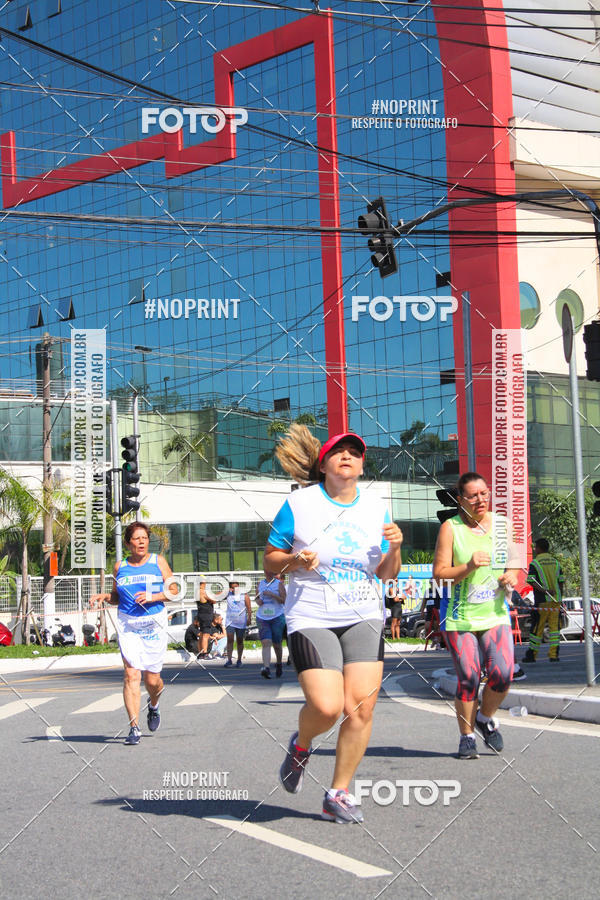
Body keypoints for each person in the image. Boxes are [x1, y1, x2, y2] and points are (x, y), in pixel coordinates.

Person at [264, 426, 403, 824]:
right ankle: (303, 745)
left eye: (354, 453)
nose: (347, 457)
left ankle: (338, 793)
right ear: (323, 465)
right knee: (327, 708)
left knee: (359, 708)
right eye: (338, 452)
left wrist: (395, 546)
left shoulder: (376, 507)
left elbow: (387, 574)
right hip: (311, 614)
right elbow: (270, 560)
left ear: (361, 465)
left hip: (363, 613)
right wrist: (293, 561)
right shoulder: (300, 504)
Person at [433, 472, 519, 759]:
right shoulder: (450, 528)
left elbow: (517, 563)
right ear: (461, 500)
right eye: (473, 496)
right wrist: (468, 566)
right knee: (469, 676)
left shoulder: (502, 525)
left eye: (484, 493)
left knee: (503, 674)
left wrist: (512, 575)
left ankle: (484, 718)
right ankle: (467, 735)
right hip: (460, 617)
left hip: (495, 614)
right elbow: (440, 577)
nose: (480, 500)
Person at [90, 522, 178, 745]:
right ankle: (134, 727)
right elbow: (118, 596)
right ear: (128, 543)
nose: (141, 542)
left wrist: (153, 597)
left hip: (153, 624)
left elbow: (174, 591)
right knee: (131, 674)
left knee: (153, 680)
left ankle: (154, 705)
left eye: (144, 538)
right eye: (136, 539)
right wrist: (105, 597)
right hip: (129, 624)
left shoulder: (158, 561)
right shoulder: (120, 567)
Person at [522, 538, 565, 663]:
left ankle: (532, 655)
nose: (534, 550)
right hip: (556, 601)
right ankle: (554, 655)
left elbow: (531, 580)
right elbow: (561, 582)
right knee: (554, 630)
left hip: (542, 601)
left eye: (535, 548)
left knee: (537, 628)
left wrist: (544, 591)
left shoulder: (535, 563)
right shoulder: (556, 563)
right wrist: (560, 598)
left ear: (539, 548)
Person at [256, 571, 287, 678]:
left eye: (270, 572)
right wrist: (258, 601)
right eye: (266, 572)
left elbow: (284, 600)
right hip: (262, 617)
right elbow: (257, 597)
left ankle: (279, 664)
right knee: (266, 642)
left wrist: (273, 595)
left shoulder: (278, 584)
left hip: (277, 617)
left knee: (277, 644)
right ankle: (266, 668)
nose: (268, 574)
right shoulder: (260, 583)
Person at [224, 580, 251, 667]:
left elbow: (249, 608)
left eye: (237, 587)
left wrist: (249, 618)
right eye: (233, 587)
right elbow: (216, 596)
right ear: (231, 588)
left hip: (241, 621)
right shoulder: (228, 594)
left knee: (239, 641)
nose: (236, 589)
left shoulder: (244, 595)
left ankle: (239, 660)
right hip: (230, 621)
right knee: (230, 639)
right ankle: (229, 660)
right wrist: (226, 590)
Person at [196, 580, 215, 658]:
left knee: (202, 634)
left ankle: (200, 653)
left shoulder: (196, 592)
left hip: (201, 614)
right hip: (206, 615)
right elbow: (214, 600)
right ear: (202, 583)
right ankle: (205, 653)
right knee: (206, 634)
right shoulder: (202, 591)